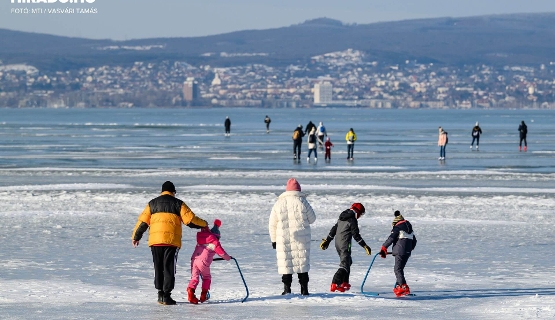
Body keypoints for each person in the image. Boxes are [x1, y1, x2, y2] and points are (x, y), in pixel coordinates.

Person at [132, 181, 208, 305]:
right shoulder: (178, 203)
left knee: (158, 267)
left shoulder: (152, 203)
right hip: (171, 242)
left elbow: (142, 222)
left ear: (162, 191)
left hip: (155, 242)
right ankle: (166, 296)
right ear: (173, 192)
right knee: (169, 268)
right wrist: (204, 224)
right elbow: (190, 220)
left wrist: (136, 236)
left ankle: (160, 295)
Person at [269, 178, 316, 296]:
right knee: (302, 263)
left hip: (283, 239)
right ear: (298, 190)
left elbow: (272, 224)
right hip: (301, 239)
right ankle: (304, 289)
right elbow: (312, 219)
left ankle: (287, 289)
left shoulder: (279, 203)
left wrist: (274, 240)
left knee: (286, 264)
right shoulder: (302, 201)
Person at [320, 203, 371, 292]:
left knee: (348, 261)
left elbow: (334, 230)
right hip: (344, 244)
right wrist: (364, 245)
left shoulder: (342, 217)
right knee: (344, 265)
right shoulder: (352, 219)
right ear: (358, 212)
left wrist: (327, 241)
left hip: (338, 244)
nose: (360, 216)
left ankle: (344, 282)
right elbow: (356, 235)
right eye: (361, 214)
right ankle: (335, 282)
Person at [187, 219, 231, 304]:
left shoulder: (202, 239)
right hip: (203, 262)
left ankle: (191, 293)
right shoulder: (214, 242)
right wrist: (228, 258)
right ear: (217, 236)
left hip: (194, 259)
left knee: (194, 278)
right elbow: (222, 253)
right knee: (207, 277)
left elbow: (204, 229)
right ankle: (203, 295)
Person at [379, 210, 417, 297]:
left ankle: (403, 286)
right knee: (400, 269)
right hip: (407, 253)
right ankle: (399, 286)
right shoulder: (410, 230)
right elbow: (414, 241)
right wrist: (409, 249)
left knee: (397, 269)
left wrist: (384, 247)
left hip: (400, 251)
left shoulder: (398, 227)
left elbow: (391, 238)